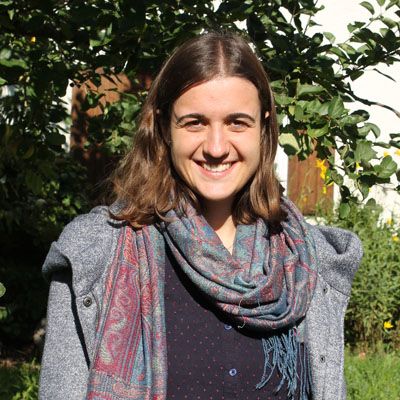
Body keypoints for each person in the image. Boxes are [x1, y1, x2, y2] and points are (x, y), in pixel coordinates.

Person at [39, 32, 362, 400]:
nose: (216, 147)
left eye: (237, 122)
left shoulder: (303, 261)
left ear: (263, 127)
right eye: (194, 122)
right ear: (164, 127)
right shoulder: (94, 255)